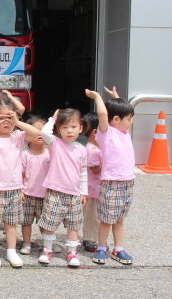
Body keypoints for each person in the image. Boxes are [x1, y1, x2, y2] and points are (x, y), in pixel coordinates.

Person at [0, 99, 41, 268]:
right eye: (1, 118)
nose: (6, 121)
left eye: (9, 117)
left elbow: (36, 133)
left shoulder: (17, 136)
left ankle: (11, 251)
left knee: (11, 223)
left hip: (14, 188)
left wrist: (17, 122)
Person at [85, 87, 135, 265]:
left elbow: (121, 113)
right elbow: (103, 114)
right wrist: (98, 97)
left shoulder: (124, 132)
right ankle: (101, 247)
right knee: (106, 219)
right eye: (128, 119)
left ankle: (118, 248)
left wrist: (117, 98)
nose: (130, 122)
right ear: (116, 119)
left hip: (127, 182)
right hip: (110, 182)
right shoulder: (106, 134)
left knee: (119, 219)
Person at [38, 109, 87, 267]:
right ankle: (47, 250)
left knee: (73, 225)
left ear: (81, 128)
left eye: (73, 127)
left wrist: (83, 192)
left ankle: (72, 252)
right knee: (50, 223)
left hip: (74, 194)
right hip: (55, 191)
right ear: (59, 130)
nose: (69, 131)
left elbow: (83, 172)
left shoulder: (82, 149)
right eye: (64, 127)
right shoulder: (55, 144)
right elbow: (44, 132)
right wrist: (52, 119)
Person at [19, 116, 49, 255]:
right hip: (28, 193)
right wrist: (20, 190)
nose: (39, 134)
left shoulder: (50, 153)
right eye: (35, 131)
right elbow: (20, 174)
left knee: (45, 222)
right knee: (26, 221)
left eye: (42, 130)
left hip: (46, 194)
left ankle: (48, 243)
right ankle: (26, 243)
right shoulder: (24, 154)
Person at [82, 112, 102, 252]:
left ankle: (93, 238)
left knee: (95, 217)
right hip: (92, 190)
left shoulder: (97, 148)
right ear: (96, 132)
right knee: (92, 217)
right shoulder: (93, 150)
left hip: (96, 189)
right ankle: (90, 240)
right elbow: (95, 170)